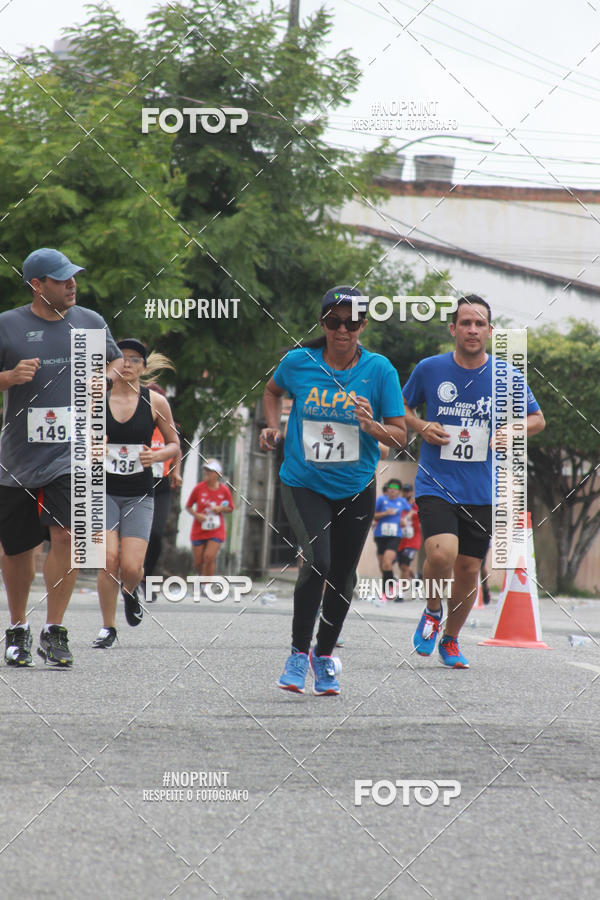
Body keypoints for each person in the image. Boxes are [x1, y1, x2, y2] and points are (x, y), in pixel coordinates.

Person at [260, 285, 406, 695]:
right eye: (334, 322)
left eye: (352, 322)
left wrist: (371, 425)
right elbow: (272, 391)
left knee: (343, 575)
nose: (343, 330)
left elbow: (400, 436)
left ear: (363, 324)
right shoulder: (298, 361)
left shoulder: (380, 370)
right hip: (303, 482)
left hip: (355, 486)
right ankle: (296, 654)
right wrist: (271, 426)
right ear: (322, 323)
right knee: (319, 561)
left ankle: (324, 658)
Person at [402, 295, 545, 668]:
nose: (472, 329)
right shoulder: (430, 369)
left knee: (468, 569)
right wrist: (420, 426)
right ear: (453, 329)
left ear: (490, 332)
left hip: (483, 489)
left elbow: (537, 419)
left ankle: (450, 639)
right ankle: (433, 611)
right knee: (441, 553)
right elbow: (401, 408)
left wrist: (513, 428)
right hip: (436, 482)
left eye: (479, 323)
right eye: (465, 323)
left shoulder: (507, 376)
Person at [0, 247, 122, 667]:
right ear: (37, 285)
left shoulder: (90, 322)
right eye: (60, 279)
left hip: (72, 454)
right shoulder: (8, 326)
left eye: (73, 277)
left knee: (69, 536)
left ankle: (54, 630)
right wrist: (9, 377)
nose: (72, 284)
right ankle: (17, 626)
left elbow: (116, 363)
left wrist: (100, 377)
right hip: (18, 457)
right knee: (17, 550)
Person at [92, 340, 179, 648]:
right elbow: (78, 440)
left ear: (143, 366)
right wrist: (94, 447)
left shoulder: (155, 402)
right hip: (103, 490)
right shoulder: (97, 398)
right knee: (108, 559)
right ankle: (107, 627)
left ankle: (130, 591)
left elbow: (174, 444)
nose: (127, 364)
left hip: (139, 492)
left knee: (131, 566)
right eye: (121, 359)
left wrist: (157, 457)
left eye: (134, 360)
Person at [141, 383, 183, 603]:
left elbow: (177, 447)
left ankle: (147, 579)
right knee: (137, 535)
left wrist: (176, 472)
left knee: (156, 534)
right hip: (138, 483)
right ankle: (130, 574)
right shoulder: (137, 422)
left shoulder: (168, 424)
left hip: (162, 486)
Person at [186, 460, 234, 590]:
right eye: (205, 470)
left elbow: (230, 507)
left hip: (216, 529)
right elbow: (188, 506)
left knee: (209, 557)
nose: (206, 473)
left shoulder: (224, 490)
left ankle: (207, 585)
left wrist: (220, 509)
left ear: (217, 474)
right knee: (198, 562)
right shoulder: (198, 488)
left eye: (210, 471)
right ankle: (201, 579)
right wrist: (197, 515)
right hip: (199, 528)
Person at [372, 479, 410, 601]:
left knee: (387, 563)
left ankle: (388, 589)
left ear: (399, 491)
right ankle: (388, 587)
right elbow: (373, 515)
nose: (392, 490)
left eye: (395, 489)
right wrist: (385, 513)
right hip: (380, 536)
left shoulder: (402, 501)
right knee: (383, 566)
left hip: (395, 536)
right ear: (387, 489)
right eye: (390, 488)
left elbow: (412, 511)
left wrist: (405, 519)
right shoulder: (381, 500)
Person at [397, 483, 422, 593]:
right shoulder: (399, 504)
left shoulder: (416, 505)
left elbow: (419, 515)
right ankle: (416, 578)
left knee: (404, 565)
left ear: (411, 492)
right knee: (403, 566)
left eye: (408, 491)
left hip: (413, 540)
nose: (406, 493)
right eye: (404, 491)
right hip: (401, 540)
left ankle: (401, 593)